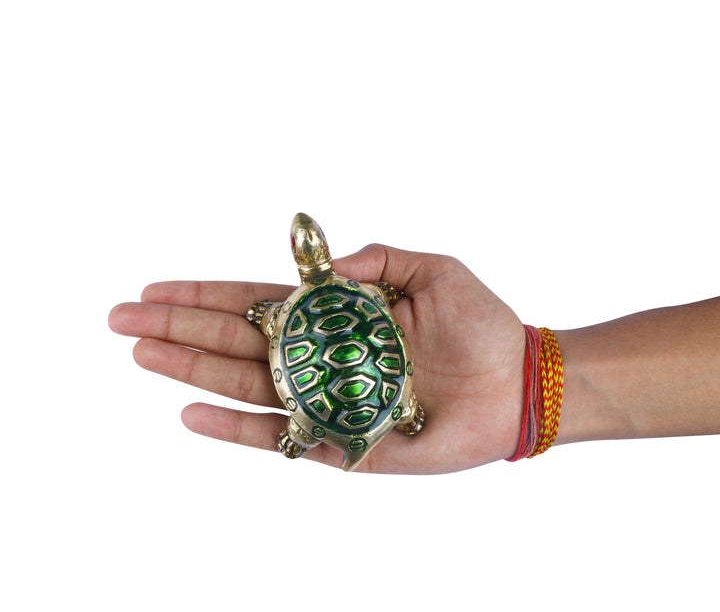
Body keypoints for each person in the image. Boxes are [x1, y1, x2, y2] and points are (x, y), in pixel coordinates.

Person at [108, 243, 720, 473]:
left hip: (320, 383)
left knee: (299, 410)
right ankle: (380, 417)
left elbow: (277, 319)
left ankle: (305, 432)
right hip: (388, 391)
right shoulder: (360, 293)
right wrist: (524, 382)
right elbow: (376, 307)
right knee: (376, 406)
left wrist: (520, 386)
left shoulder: (288, 311)